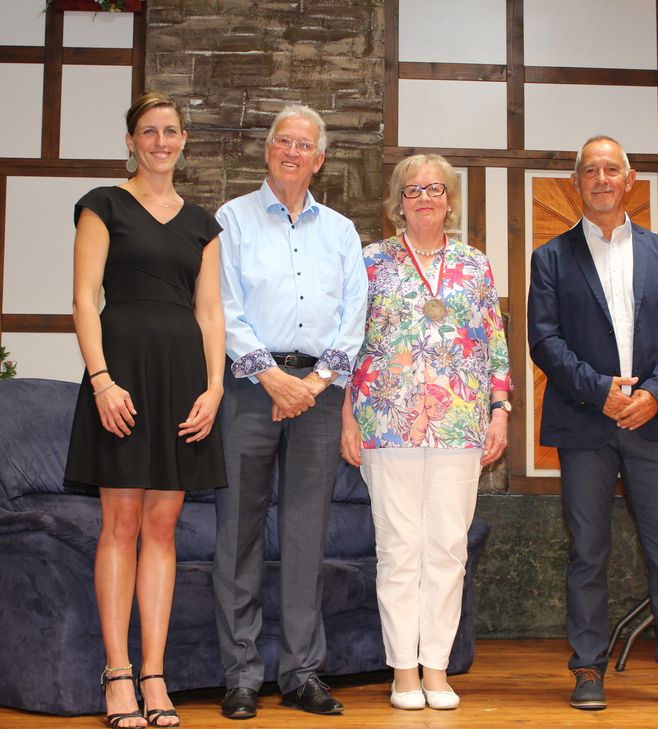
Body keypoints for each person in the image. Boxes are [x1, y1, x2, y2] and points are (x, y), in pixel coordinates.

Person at [63, 90, 227, 728]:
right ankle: (118, 676)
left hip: (183, 381)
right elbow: (83, 299)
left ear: (184, 141)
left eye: (171, 131)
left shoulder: (203, 224)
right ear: (130, 141)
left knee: (163, 529)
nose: (161, 141)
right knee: (121, 525)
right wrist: (102, 381)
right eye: (149, 131)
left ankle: (155, 676)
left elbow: (210, 313)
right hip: (121, 375)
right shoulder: (102, 205)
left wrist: (214, 389)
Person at [527, 135, 658, 712]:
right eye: (589, 171)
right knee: (588, 551)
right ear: (575, 184)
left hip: (650, 421)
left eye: (612, 169)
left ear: (630, 180)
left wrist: (652, 394)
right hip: (586, 423)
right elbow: (544, 341)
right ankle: (587, 669)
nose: (601, 179)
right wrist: (600, 392)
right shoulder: (551, 257)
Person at [340, 153, 511, 711]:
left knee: (447, 549)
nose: (425, 199)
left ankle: (436, 667)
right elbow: (349, 343)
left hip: (460, 424)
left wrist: (501, 408)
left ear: (450, 200)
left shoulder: (476, 265)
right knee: (398, 549)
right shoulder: (370, 262)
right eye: (413, 190)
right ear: (397, 201)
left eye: (435, 189)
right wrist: (346, 414)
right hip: (386, 424)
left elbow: (494, 342)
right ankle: (404, 671)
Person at [212, 104, 367, 720]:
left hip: (320, 394)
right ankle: (241, 676)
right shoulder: (233, 219)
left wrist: (318, 381)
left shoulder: (342, 231)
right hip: (253, 389)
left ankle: (302, 672)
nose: (293, 152)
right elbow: (222, 306)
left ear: (319, 159)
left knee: (306, 535)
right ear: (268, 150)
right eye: (284, 142)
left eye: (305, 145)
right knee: (239, 536)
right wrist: (274, 379)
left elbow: (355, 312)